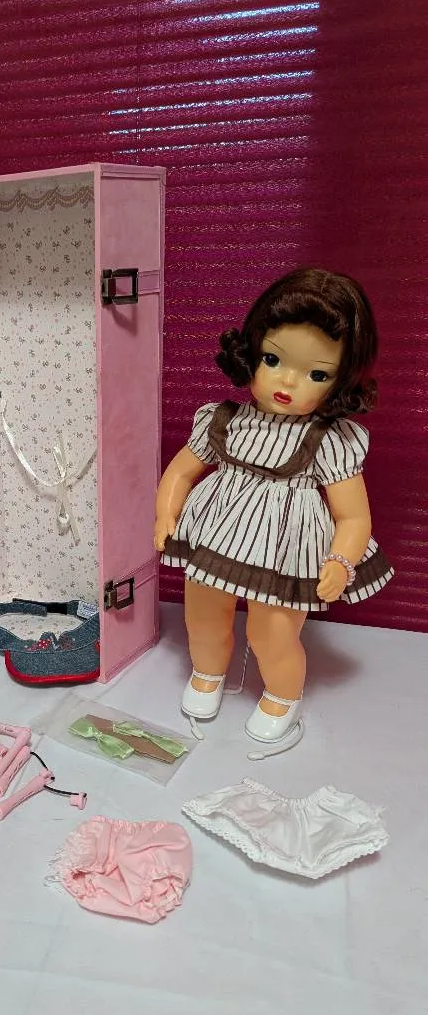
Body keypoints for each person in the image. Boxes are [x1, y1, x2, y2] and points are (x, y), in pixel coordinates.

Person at [154, 268, 393, 750]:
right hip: (215, 536)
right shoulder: (222, 420)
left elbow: (352, 516)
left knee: (272, 633)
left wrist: (340, 560)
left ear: (340, 380)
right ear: (251, 352)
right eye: (273, 359)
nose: (288, 381)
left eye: (317, 374)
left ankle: (283, 696)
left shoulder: (329, 439)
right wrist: (166, 514)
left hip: (285, 549)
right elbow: (180, 472)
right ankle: (207, 672)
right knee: (203, 616)